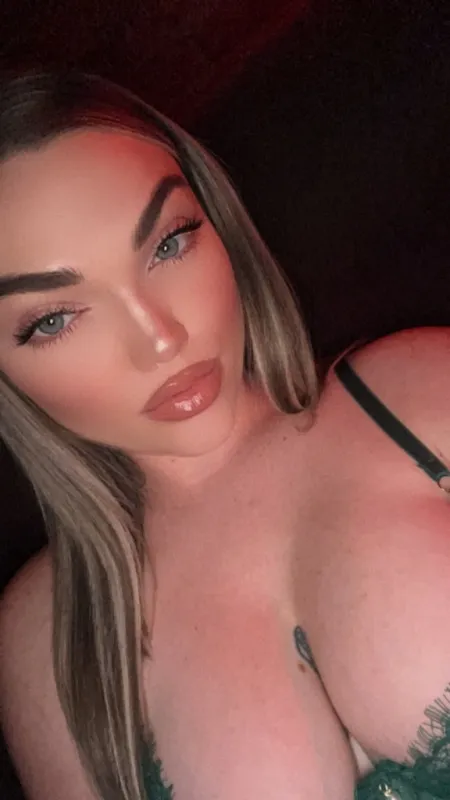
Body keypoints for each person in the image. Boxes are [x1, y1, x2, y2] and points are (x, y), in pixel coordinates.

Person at [0, 71, 449, 800]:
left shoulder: (420, 388)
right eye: (53, 319)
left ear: (217, 220)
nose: (160, 338)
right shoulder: (45, 639)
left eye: (169, 244)